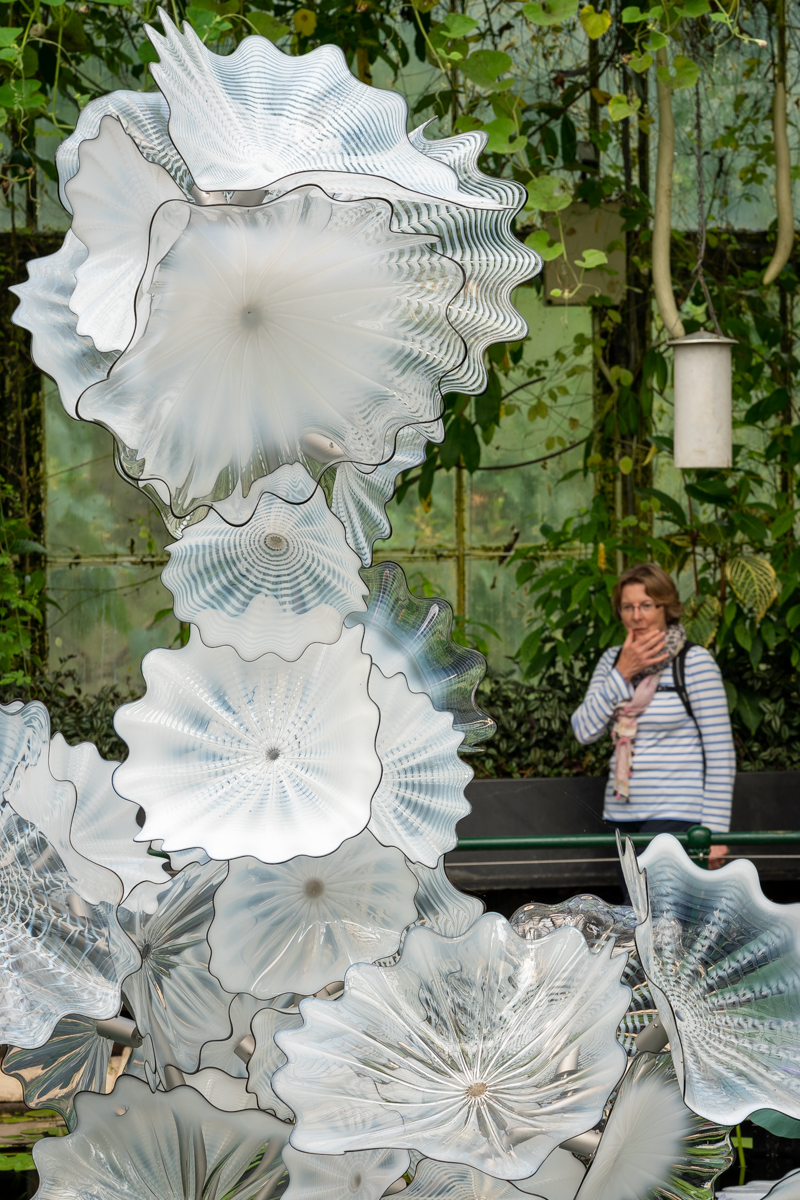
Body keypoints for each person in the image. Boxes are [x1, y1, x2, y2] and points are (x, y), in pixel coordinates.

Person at [571, 562, 735, 869]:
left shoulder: (694, 662)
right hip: (621, 817)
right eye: (627, 607)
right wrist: (622, 673)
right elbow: (584, 731)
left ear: (666, 608)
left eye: (646, 605)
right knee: (634, 901)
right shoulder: (612, 662)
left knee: (666, 902)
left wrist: (715, 833)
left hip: (678, 816)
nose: (637, 616)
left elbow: (720, 754)